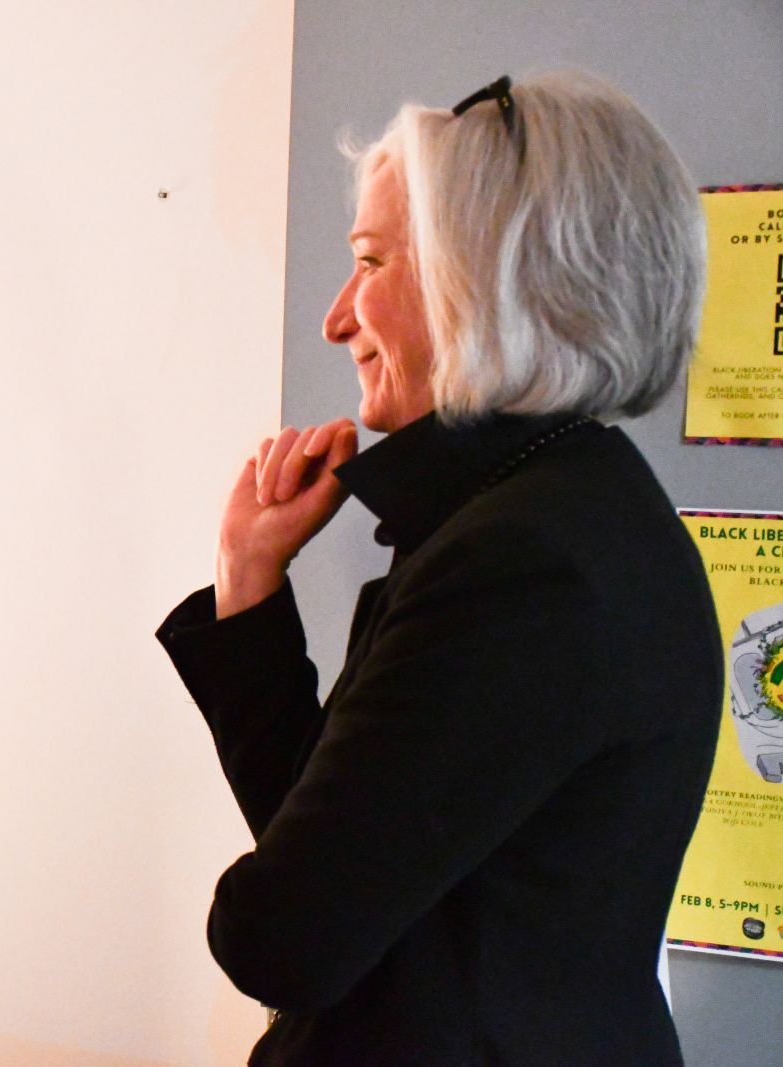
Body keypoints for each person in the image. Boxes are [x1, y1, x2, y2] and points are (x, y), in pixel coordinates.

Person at [156, 72, 721, 1066]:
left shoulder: (522, 561)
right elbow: (356, 859)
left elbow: (283, 933)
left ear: (492, 277)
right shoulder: (562, 510)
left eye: (371, 261)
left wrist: (252, 903)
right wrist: (248, 582)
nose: (337, 319)